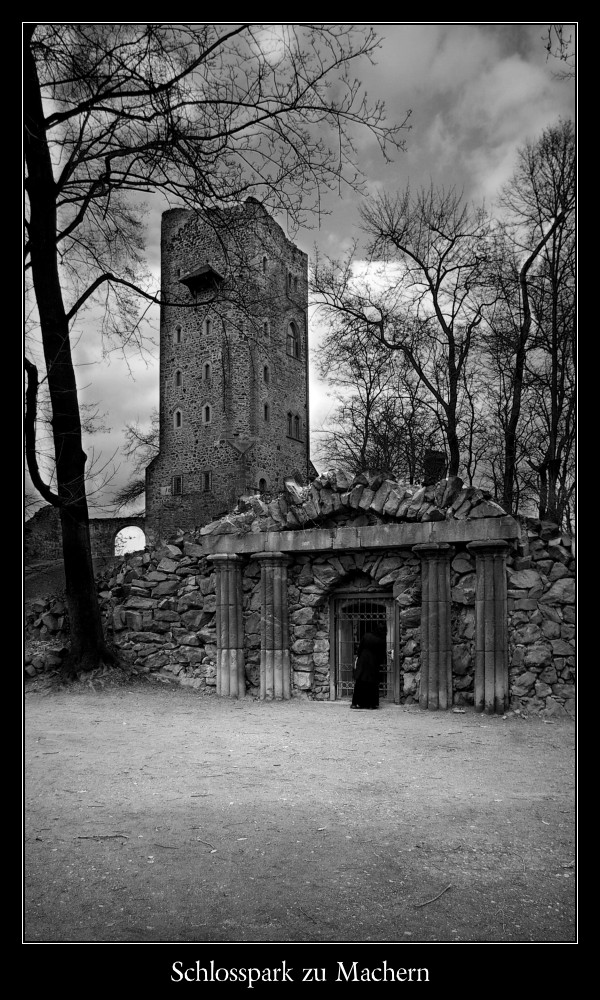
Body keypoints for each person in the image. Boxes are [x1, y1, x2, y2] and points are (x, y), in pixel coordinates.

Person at [351, 626, 387, 710]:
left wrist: (359, 658)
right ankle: (371, 704)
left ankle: (356, 703)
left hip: (363, 661)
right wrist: (380, 663)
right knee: (372, 683)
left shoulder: (366, 636)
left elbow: (360, 648)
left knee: (360, 682)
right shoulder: (381, 640)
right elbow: (381, 655)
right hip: (373, 663)